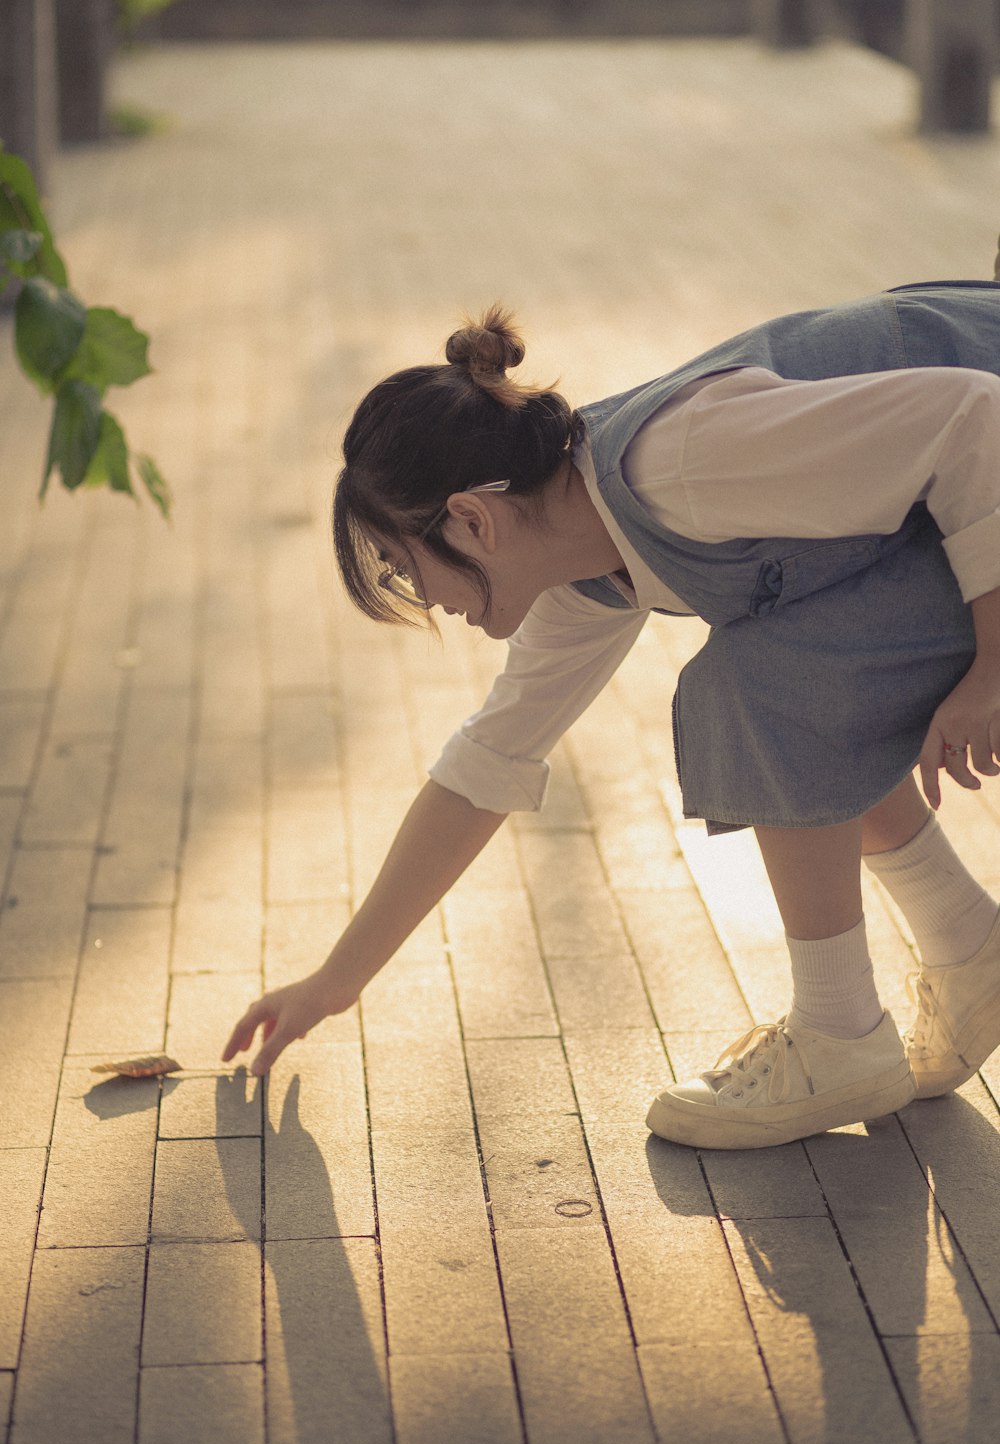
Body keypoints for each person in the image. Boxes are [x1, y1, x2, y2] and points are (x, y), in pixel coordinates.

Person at [223, 274, 1000, 1151]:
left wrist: (992, 666)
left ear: (474, 520)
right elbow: (482, 771)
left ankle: (838, 1035)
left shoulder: (682, 463)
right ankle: (967, 946)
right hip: (965, 498)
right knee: (790, 660)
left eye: (406, 572)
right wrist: (336, 980)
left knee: (755, 683)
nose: (428, 604)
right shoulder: (581, 567)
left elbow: (977, 417)